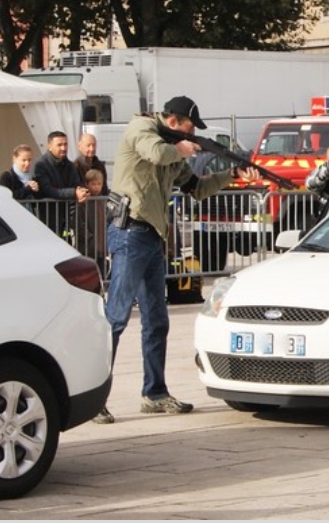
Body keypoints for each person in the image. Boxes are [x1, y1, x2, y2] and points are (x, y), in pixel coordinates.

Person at [93, 96, 261, 425]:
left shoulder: (173, 146)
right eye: (188, 127)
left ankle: (154, 394)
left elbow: (195, 188)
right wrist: (183, 149)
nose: (191, 134)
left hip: (153, 236)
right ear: (174, 122)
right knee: (116, 318)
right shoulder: (142, 127)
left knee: (157, 321)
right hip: (129, 233)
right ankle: (94, 398)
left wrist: (232, 174)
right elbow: (155, 152)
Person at [33, 131, 89, 239]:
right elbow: (47, 190)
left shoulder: (69, 165)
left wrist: (83, 192)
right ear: (49, 146)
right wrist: (74, 193)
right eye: (59, 145)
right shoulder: (40, 165)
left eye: (65, 144)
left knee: (66, 244)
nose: (63, 148)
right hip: (46, 218)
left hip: (65, 220)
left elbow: (77, 184)